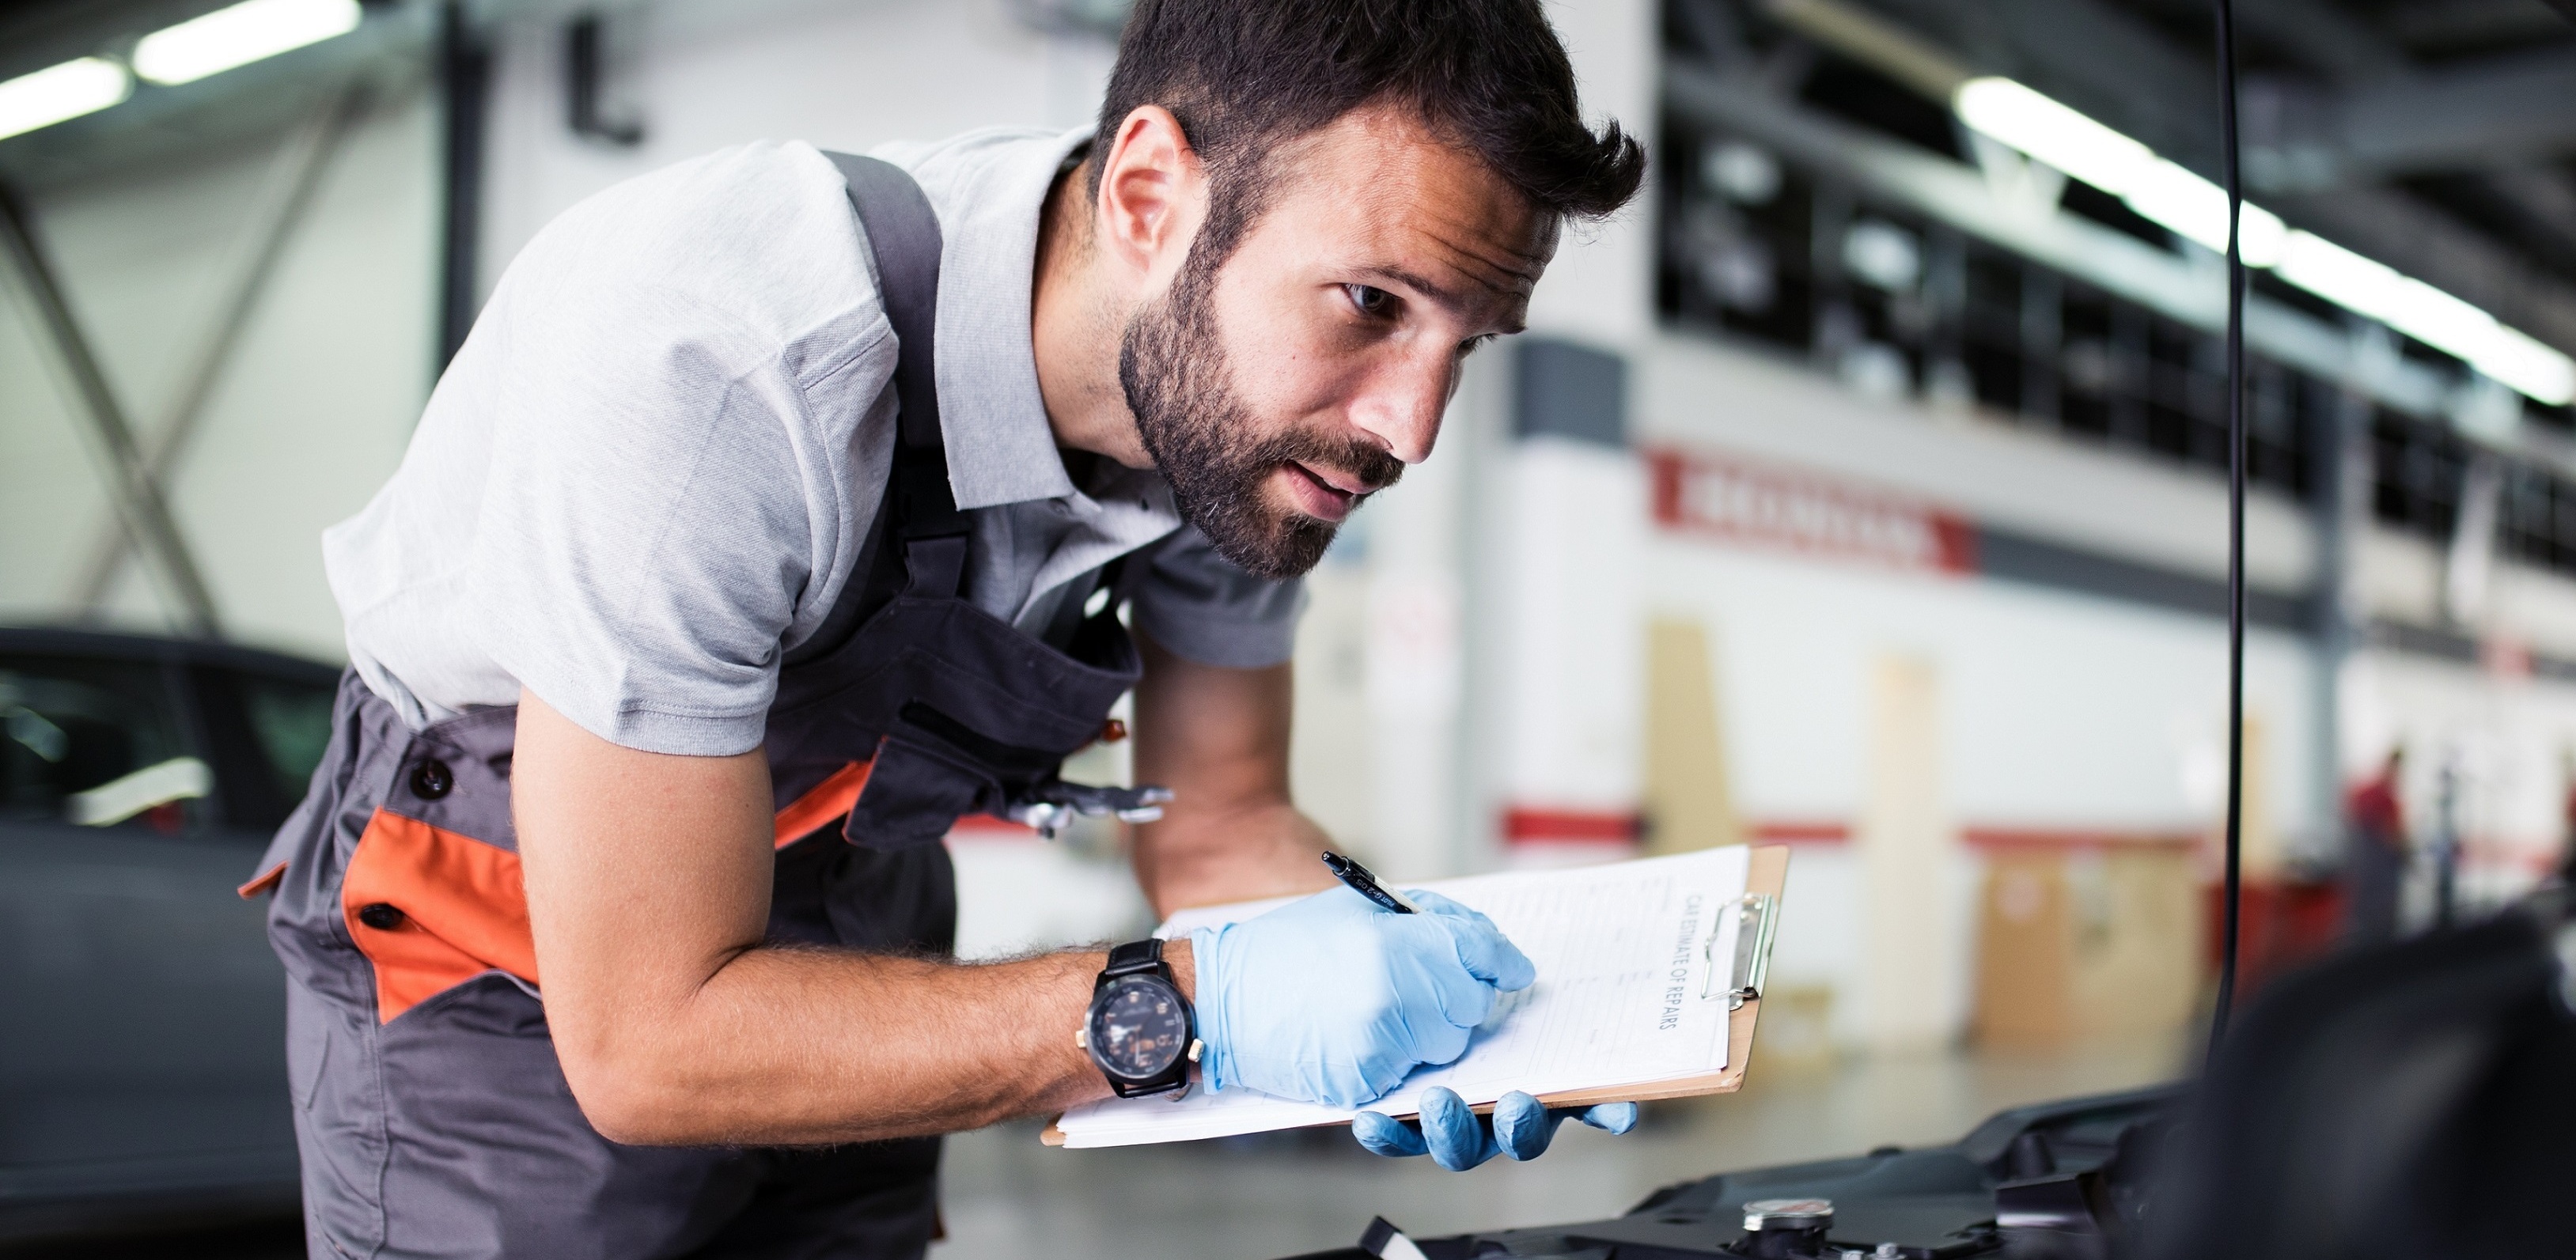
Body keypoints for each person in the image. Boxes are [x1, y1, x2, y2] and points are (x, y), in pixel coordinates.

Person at [239, 2, 1646, 1254]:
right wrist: (1192, 1005)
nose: (1409, 426)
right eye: (1372, 303)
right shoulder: (718, 363)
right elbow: (649, 1041)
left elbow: (1220, 826)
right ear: (1149, 196)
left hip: (860, 890)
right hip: (513, 934)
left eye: (1466, 342)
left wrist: (1426, 1002)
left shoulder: (1246, 434)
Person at [2344, 747, 2409, 945]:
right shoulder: (2378, 795)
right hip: (2377, 870)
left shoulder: (2373, 793)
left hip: (2371, 869)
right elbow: (2390, 833)